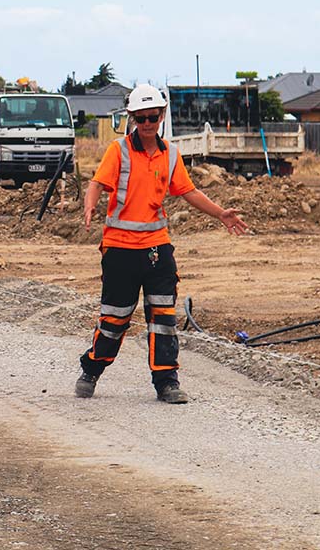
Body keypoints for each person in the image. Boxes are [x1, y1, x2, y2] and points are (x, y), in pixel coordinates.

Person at [76, 84, 248, 404]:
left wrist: (220, 214)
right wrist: (90, 203)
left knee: (164, 316)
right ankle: (92, 369)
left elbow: (188, 191)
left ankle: (167, 381)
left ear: (162, 116)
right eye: (140, 119)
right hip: (120, 249)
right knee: (115, 318)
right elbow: (97, 183)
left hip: (156, 247)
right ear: (132, 119)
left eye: (152, 117)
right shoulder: (119, 151)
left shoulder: (170, 155)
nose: (146, 124)